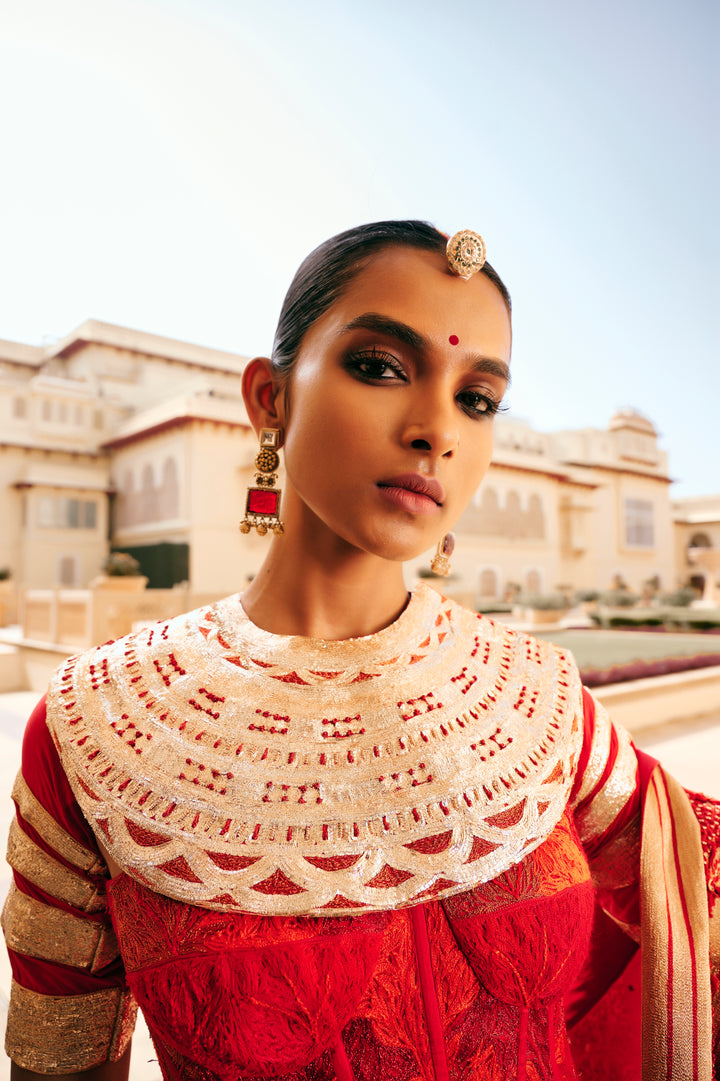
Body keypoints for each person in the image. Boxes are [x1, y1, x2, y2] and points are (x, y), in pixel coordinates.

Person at [2, 221, 718, 1080]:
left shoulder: (537, 706)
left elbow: (692, 880)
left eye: (477, 398)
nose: (434, 429)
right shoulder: (99, 730)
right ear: (271, 399)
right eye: (380, 365)